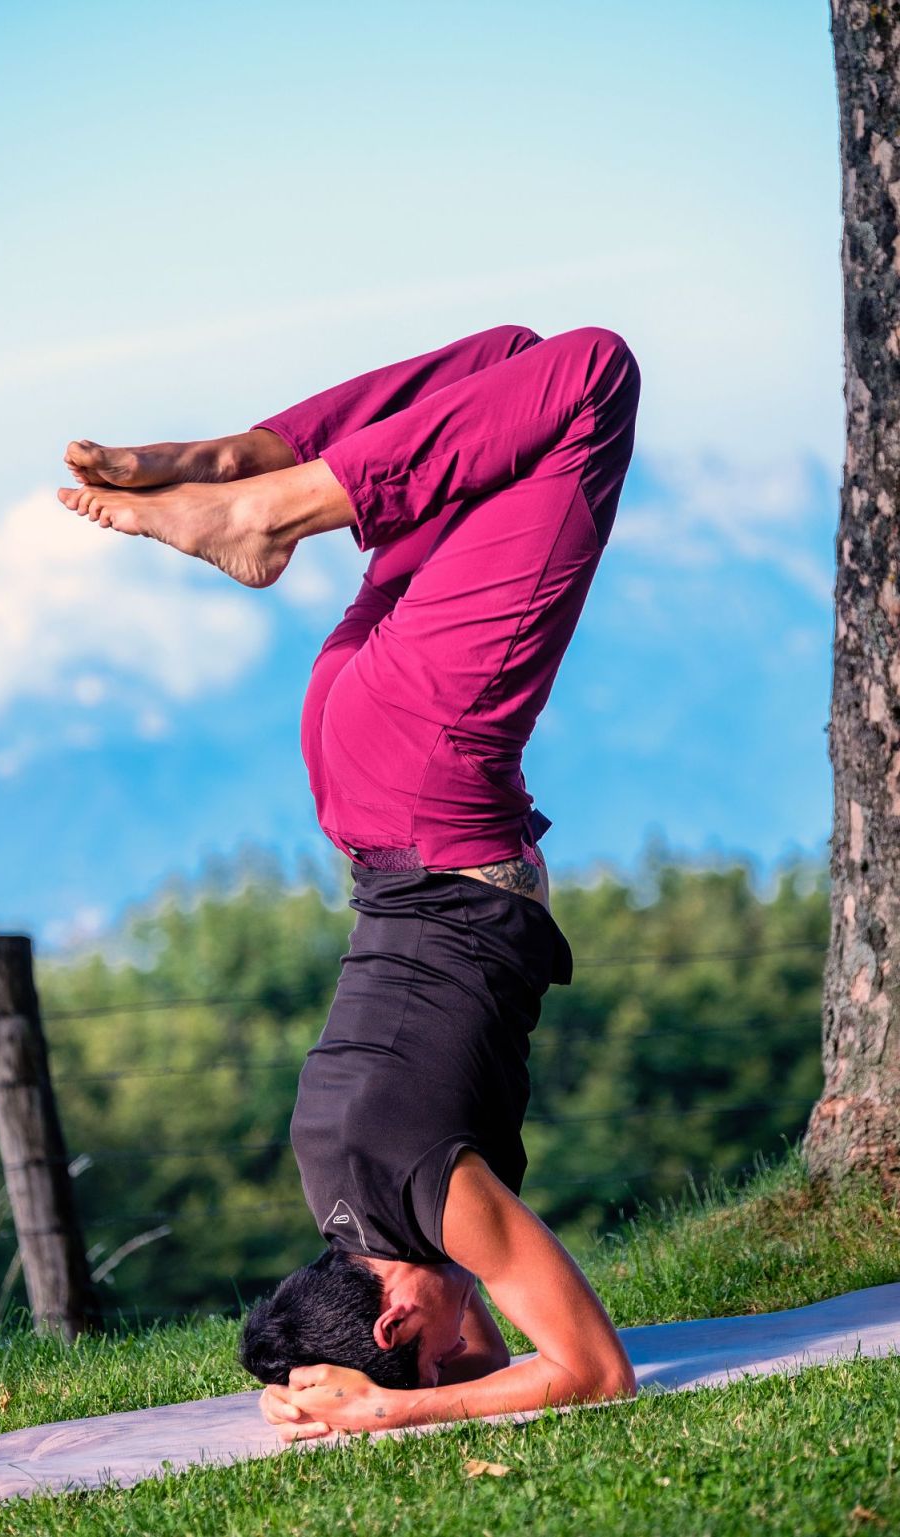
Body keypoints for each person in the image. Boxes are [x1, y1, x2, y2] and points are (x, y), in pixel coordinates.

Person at [58, 321, 641, 1438]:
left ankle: (264, 502)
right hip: (355, 772)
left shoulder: (430, 1199)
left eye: (446, 1348)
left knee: (584, 378)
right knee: (504, 369)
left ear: (391, 1330)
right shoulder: (334, 1177)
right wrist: (347, 1385)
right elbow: (495, 1337)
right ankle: (247, 461)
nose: (482, 1330)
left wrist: (384, 1413)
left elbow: (588, 1369)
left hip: (431, 778)